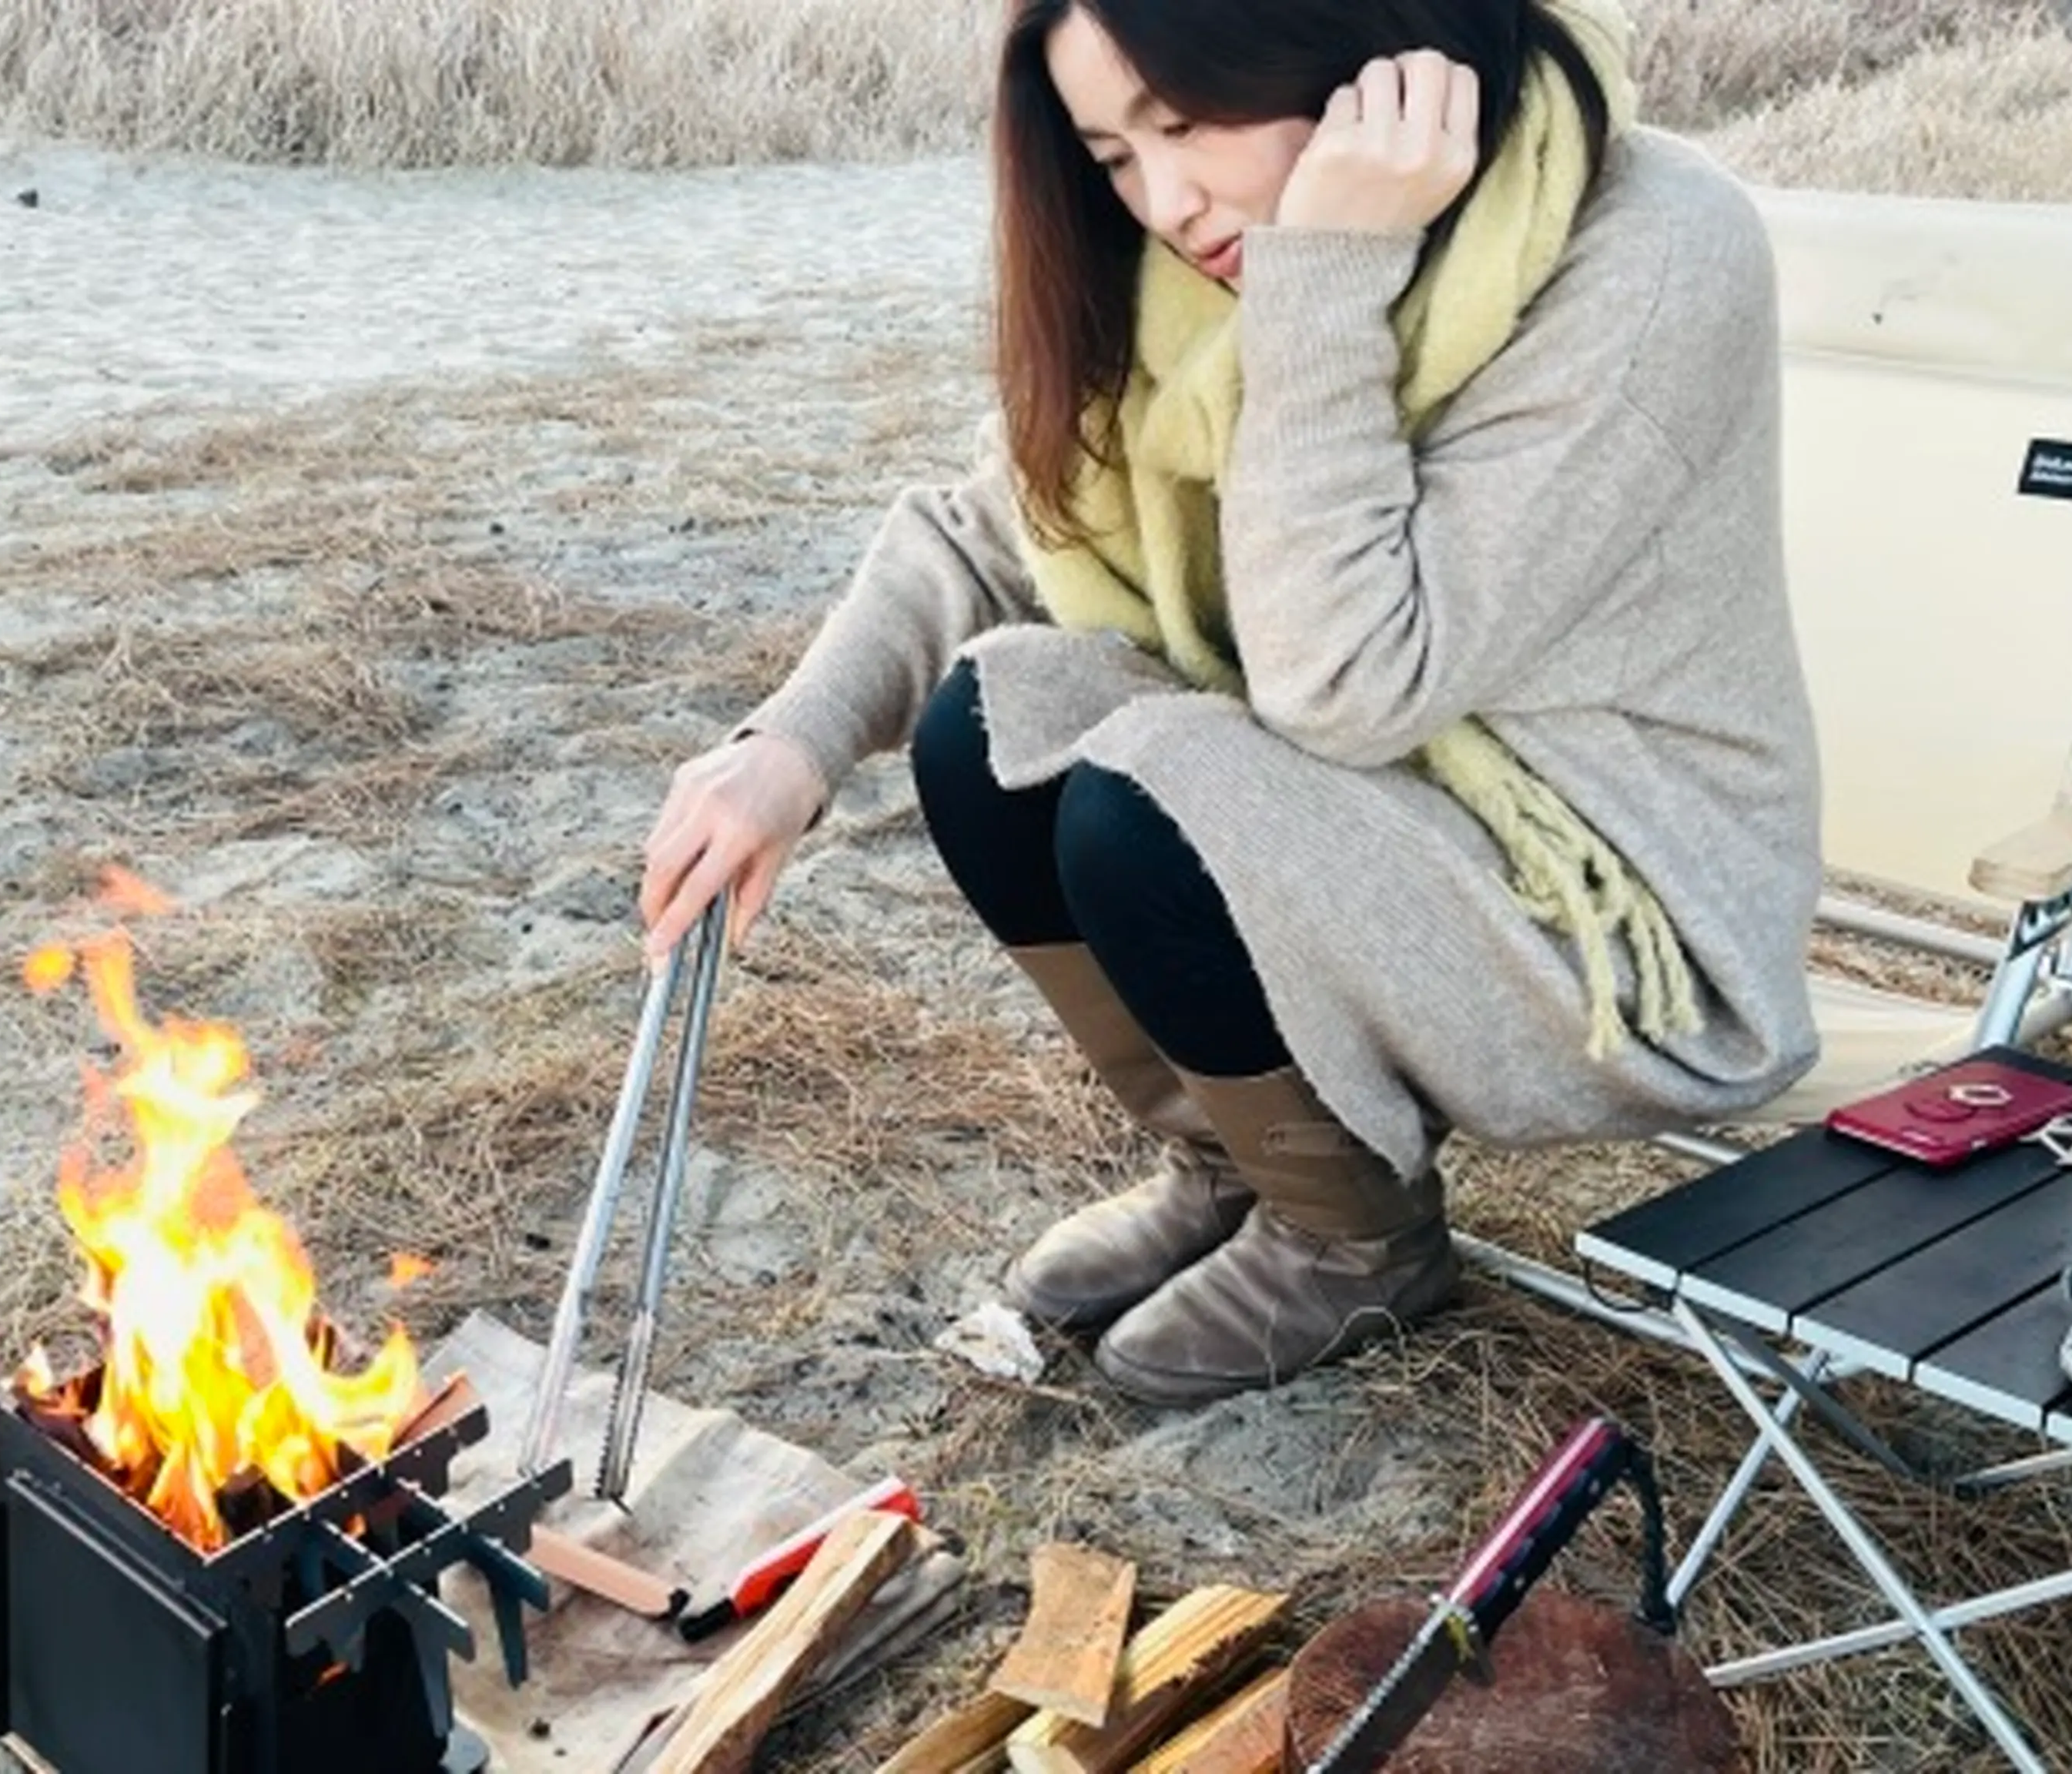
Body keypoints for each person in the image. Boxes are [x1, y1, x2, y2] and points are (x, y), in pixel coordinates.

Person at [635, 0, 1820, 1405]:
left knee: (1146, 783)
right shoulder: (1190, 268)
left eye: (1190, 124)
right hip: (1399, 813)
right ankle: (1244, 1167)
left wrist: (1325, 274)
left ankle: (1353, 1243)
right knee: (991, 721)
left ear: (1366, 53)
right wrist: (790, 747)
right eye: (1113, 153)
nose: (1167, 200)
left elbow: (1348, 683)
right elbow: (991, 526)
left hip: (1622, 902)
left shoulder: (1644, 248)